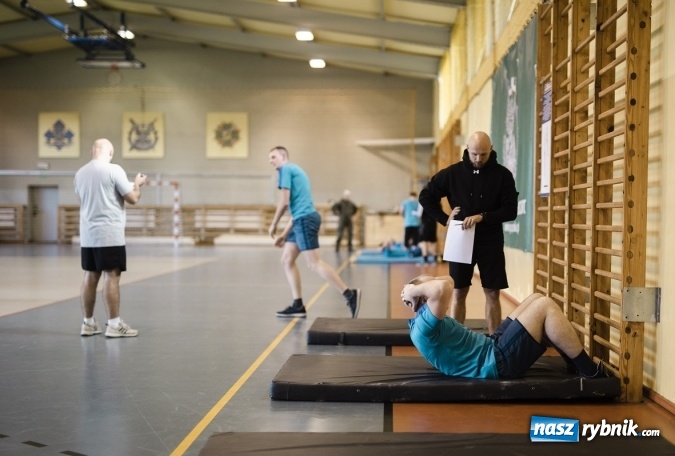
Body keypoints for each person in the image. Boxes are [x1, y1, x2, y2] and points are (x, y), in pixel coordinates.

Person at [401, 274, 607, 379]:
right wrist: (413, 291)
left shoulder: (424, 318)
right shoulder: (424, 327)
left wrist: (416, 289)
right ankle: (590, 372)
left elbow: (448, 280)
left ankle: (572, 363)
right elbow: (443, 287)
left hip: (491, 346)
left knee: (536, 298)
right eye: (426, 291)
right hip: (495, 363)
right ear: (421, 300)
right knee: (545, 306)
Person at [419, 131, 518, 334]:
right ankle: (458, 340)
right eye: (474, 154)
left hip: (490, 239)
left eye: (483, 154)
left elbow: (511, 211)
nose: (478, 159)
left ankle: (495, 342)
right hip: (460, 238)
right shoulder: (452, 173)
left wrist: (483, 216)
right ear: (467, 149)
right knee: (459, 292)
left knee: (492, 293)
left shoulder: (503, 175)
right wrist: (444, 218)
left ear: (491, 150)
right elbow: (426, 196)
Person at [268, 146, 361, 318]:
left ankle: (350, 294)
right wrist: (284, 235)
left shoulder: (285, 170)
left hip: (304, 220)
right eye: (270, 158)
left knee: (314, 263)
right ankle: (298, 305)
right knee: (287, 260)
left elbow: (284, 202)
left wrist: (274, 224)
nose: (270, 161)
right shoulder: (296, 170)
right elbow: (297, 209)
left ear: (283, 156)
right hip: (300, 219)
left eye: (273, 157)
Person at [74, 138, 146, 338]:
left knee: (90, 276)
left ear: (92, 151)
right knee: (111, 275)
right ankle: (114, 325)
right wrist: (137, 184)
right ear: (111, 153)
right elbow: (133, 198)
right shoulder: (114, 170)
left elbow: (81, 201)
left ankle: (88, 324)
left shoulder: (80, 174)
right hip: (109, 234)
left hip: (88, 235)